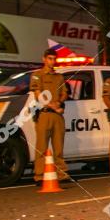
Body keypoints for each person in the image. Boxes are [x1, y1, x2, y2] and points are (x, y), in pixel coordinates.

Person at [30, 49, 69, 183]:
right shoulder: (37, 75)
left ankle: (61, 174)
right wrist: (54, 106)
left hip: (57, 116)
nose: (52, 61)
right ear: (44, 59)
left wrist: (59, 102)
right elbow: (38, 94)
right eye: (50, 58)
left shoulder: (59, 77)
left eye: (54, 59)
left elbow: (65, 93)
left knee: (59, 147)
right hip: (44, 114)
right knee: (42, 147)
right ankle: (39, 176)